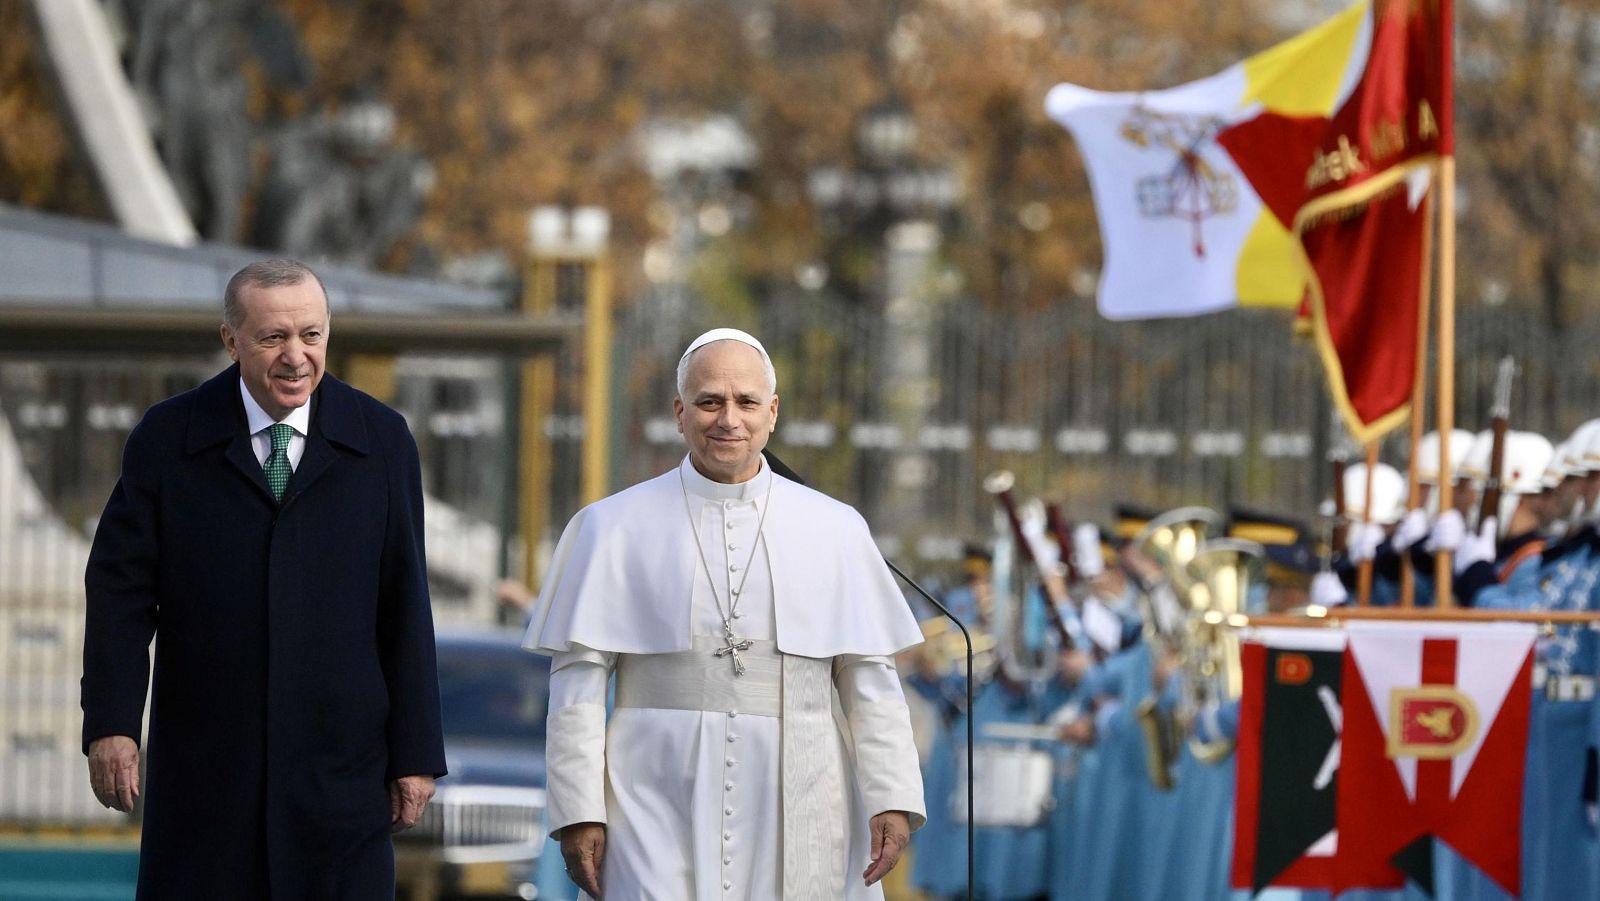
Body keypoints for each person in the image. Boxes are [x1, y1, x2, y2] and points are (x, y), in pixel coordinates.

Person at [81, 259, 446, 899]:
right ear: (231, 341)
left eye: (311, 335)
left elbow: (405, 604)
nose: (296, 357)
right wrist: (112, 723)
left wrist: (415, 756)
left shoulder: (383, 441)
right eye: (274, 337)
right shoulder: (168, 438)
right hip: (206, 781)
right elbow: (120, 594)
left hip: (341, 784)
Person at [522, 328, 926, 900]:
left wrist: (892, 796)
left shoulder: (834, 528)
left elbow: (871, 682)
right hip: (651, 792)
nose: (728, 419)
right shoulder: (610, 526)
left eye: (746, 402)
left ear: (773, 412)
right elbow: (577, 689)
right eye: (710, 401)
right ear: (680, 413)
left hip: (802, 786)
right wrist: (578, 810)